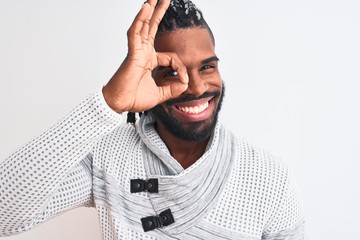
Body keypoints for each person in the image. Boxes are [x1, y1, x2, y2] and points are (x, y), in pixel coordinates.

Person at [0, 0, 305, 239]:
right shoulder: (107, 156)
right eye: (170, 72)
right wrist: (108, 103)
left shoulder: (269, 176)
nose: (197, 88)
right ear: (145, 77)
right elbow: (4, 215)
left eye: (207, 67)